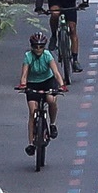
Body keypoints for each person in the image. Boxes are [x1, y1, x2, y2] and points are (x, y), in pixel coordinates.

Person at [38, 0, 90, 74]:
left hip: (69, 1)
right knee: (55, 14)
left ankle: (75, 60)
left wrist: (85, 1)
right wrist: (39, 6)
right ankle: (54, 35)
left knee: (72, 29)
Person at [17, 32, 63, 161]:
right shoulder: (28, 56)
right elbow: (24, 74)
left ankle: (52, 124)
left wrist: (61, 85)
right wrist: (23, 84)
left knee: (51, 100)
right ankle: (31, 143)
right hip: (33, 84)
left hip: (47, 81)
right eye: (36, 47)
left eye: (41, 47)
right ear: (32, 47)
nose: (38, 49)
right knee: (32, 112)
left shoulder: (47, 55)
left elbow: (56, 72)